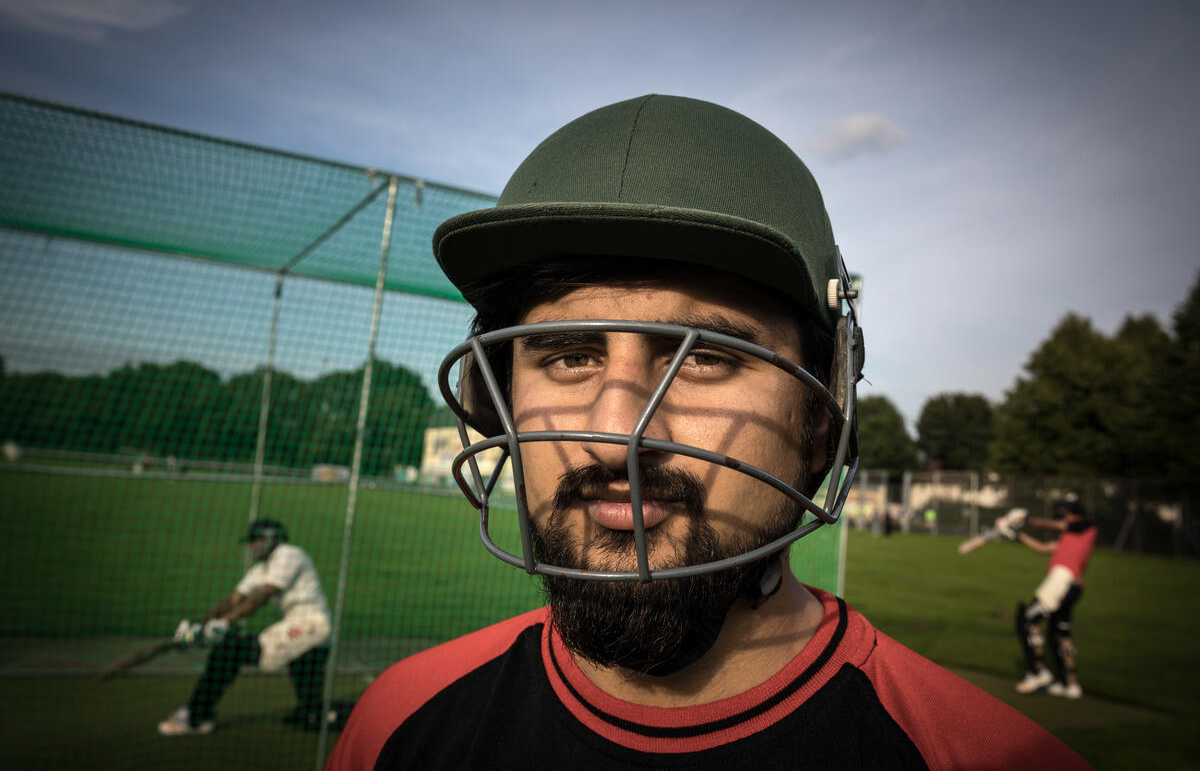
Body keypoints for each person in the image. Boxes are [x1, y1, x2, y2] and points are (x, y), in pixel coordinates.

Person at [329, 94, 1090, 769]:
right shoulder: (397, 725)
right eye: (567, 356)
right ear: (493, 401)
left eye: (710, 359)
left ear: (821, 420)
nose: (614, 431)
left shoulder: (982, 755)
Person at [158, 517, 333, 735]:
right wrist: (200, 624)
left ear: (270, 539)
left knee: (231, 650)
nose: (250, 547)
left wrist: (225, 622)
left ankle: (197, 716)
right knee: (311, 707)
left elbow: (264, 594)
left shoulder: (289, 554)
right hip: (298, 625)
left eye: (254, 541)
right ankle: (314, 712)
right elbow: (234, 600)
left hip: (311, 624)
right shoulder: (261, 568)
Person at [1014, 499, 1098, 699]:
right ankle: (1070, 684)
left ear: (1076, 515)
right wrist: (1017, 534)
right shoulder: (1069, 538)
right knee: (1059, 633)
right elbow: (1043, 548)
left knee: (1028, 619)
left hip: (1062, 580)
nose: (1063, 518)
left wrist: (1027, 519)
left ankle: (1037, 672)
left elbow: (1058, 525)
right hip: (1072, 586)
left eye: (1066, 514)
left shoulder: (1086, 527)